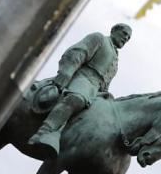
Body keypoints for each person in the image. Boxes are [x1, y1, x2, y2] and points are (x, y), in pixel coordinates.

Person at [28, 23, 132, 160]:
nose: (126, 38)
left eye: (128, 38)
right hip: (83, 78)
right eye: (124, 33)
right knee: (77, 98)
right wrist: (66, 72)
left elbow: (105, 82)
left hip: (96, 90)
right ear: (114, 30)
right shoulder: (99, 38)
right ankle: (45, 132)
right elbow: (78, 52)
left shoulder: (116, 60)